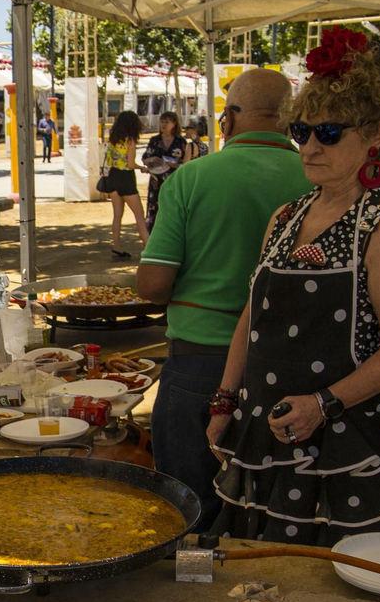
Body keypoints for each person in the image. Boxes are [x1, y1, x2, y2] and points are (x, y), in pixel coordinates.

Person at [206, 28, 380, 543]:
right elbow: (252, 316)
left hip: (335, 438)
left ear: (376, 134)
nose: (308, 147)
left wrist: (322, 404)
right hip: (262, 428)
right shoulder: (286, 216)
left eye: (328, 133)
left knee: (318, 574)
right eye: (300, 132)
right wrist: (224, 401)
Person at [137, 68, 311, 531]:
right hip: (293, 368)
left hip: (201, 362)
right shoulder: (318, 179)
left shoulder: (191, 178)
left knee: (190, 508)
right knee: (277, 508)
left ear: (229, 119)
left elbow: (152, 286)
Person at [104, 111, 150, 259]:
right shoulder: (130, 140)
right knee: (139, 215)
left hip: (113, 176)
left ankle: (116, 248)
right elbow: (130, 164)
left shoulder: (113, 139)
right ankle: (149, 248)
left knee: (117, 215)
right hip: (126, 177)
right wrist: (142, 168)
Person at [143, 111, 187, 227]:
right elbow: (144, 159)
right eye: (162, 122)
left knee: (174, 209)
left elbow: (186, 163)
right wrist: (151, 159)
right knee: (154, 210)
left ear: (174, 124)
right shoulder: (154, 140)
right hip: (156, 181)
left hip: (174, 181)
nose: (163, 124)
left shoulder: (181, 141)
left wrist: (174, 165)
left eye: (167, 122)